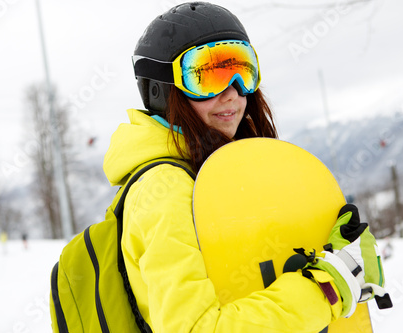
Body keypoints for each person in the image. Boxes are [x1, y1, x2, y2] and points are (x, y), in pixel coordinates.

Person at [103, 2, 386, 332]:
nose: (233, 93)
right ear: (160, 91)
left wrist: (344, 264)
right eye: (207, 76)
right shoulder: (164, 190)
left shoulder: (217, 174)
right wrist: (327, 289)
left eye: (242, 70)